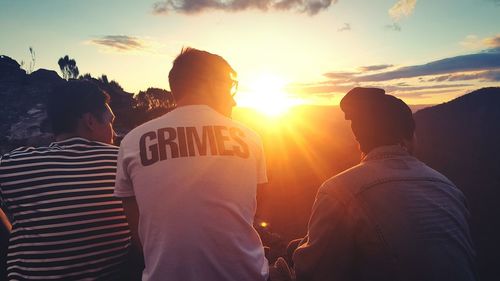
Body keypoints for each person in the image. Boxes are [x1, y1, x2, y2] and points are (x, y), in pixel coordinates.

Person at [114, 47, 269, 281]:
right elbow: (254, 209)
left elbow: (138, 229)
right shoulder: (249, 137)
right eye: (229, 87)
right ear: (212, 84)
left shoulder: (132, 141)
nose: (233, 99)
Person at [292, 87, 477, 281]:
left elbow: (313, 274)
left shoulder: (338, 191)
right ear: (409, 136)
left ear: (359, 139)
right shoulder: (448, 187)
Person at [0, 80, 132, 280]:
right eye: (110, 122)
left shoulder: (15, 164)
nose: (113, 132)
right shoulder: (125, 161)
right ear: (90, 121)